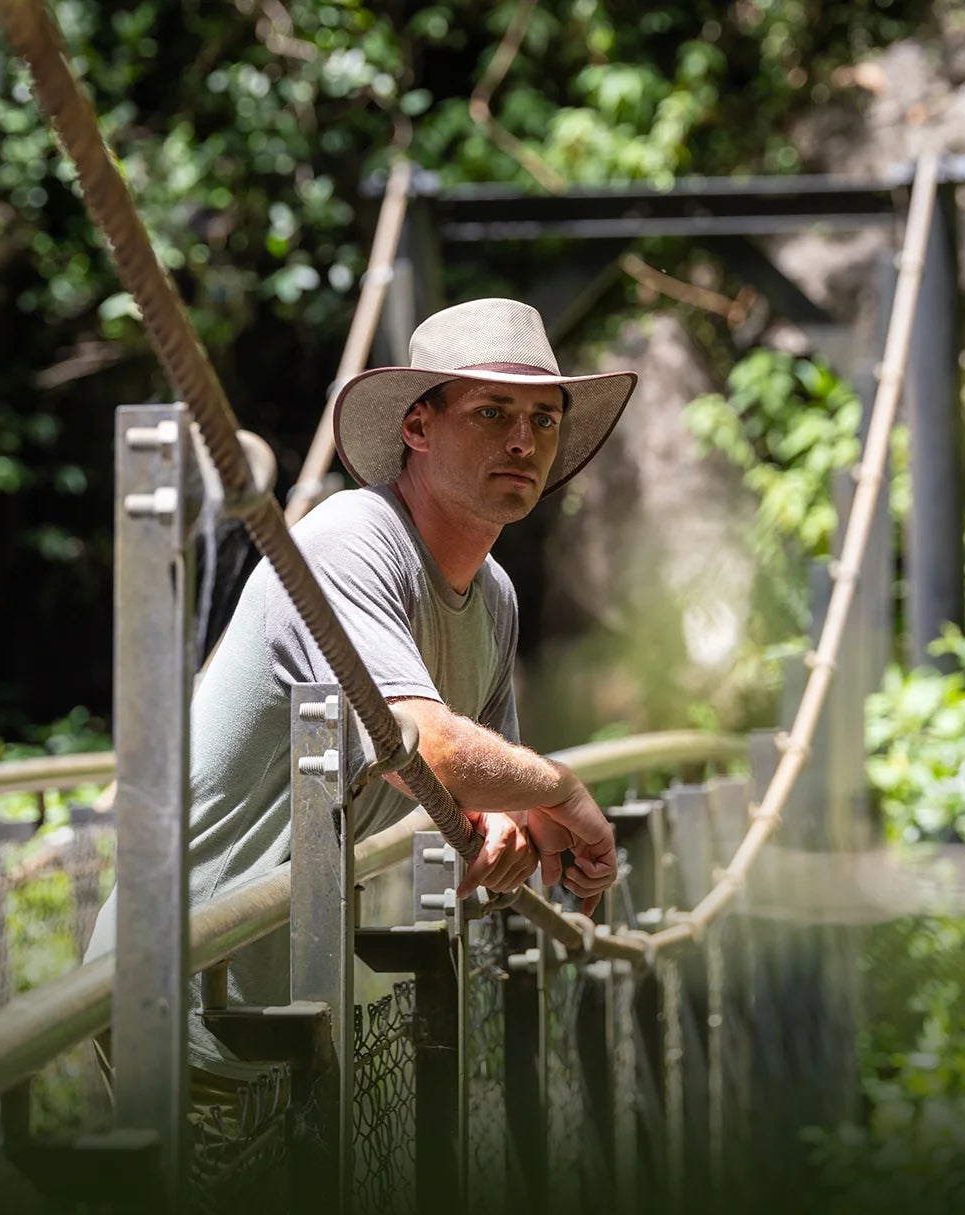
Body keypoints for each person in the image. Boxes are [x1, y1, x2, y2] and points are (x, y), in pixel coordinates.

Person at [86, 297, 639, 1077]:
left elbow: (482, 787)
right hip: (178, 998)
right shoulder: (350, 540)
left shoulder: (495, 597)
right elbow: (429, 748)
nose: (523, 440)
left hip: (285, 1019)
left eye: (544, 420)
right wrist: (560, 790)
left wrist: (526, 823)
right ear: (417, 427)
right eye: (492, 413)